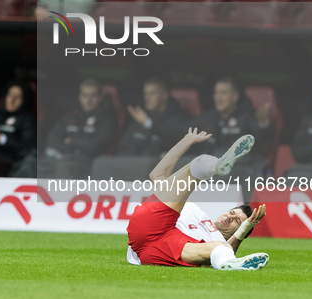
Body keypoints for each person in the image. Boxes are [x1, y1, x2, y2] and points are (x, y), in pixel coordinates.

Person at [127, 128, 269, 270]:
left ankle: (230, 265)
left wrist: (244, 229)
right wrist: (187, 141)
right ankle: (218, 166)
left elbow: (229, 247)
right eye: (232, 213)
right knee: (195, 165)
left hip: (159, 251)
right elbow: (158, 175)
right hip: (150, 227)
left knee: (219, 249)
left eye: (237, 221)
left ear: (237, 232)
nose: (229, 218)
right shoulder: (193, 209)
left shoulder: (218, 241)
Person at [92, 77, 189, 181]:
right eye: (145, 94)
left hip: (155, 167)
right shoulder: (140, 117)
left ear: (164, 95)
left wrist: (148, 124)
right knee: (101, 162)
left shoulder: (178, 119)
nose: (147, 97)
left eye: (152, 93)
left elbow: (174, 139)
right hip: (133, 162)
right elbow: (124, 144)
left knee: (148, 165)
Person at [189, 77, 272, 184]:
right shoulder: (208, 117)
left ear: (235, 97)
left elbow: (263, 139)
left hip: (240, 168)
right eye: (216, 93)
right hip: (212, 167)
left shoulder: (247, 116)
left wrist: (263, 123)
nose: (218, 97)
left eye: (223, 93)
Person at [38, 78, 117, 179]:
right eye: (85, 95)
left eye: (93, 95)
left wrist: (70, 141)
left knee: (63, 168)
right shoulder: (69, 116)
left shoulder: (107, 119)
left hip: (87, 163)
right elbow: (52, 139)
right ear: (80, 97)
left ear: (101, 97)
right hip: (61, 158)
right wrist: (73, 149)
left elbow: (96, 146)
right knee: (35, 165)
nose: (88, 100)